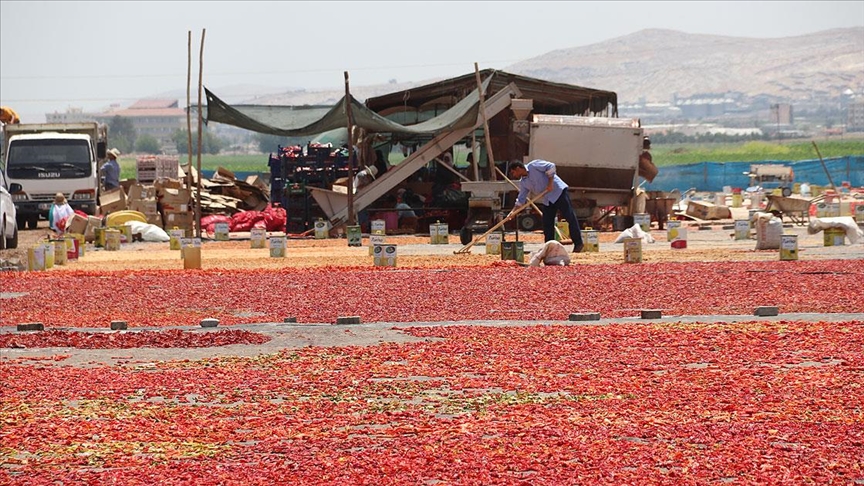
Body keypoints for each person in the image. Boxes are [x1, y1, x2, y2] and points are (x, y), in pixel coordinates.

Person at [507, 159, 584, 253]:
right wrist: (513, 212)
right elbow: (521, 199)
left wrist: (550, 183)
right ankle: (549, 248)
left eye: (513, 172)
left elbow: (551, 166)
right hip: (548, 199)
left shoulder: (533, 165)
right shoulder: (524, 183)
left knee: (569, 217)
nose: (514, 175)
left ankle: (578, 243)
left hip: (558, 192)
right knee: (547, 222)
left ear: (518, 168)